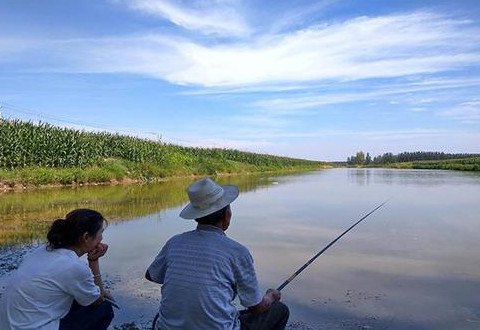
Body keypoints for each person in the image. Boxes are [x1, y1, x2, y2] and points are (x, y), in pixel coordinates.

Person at [146, 177, 289, 329]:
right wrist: (271, 296)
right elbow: (256, 307)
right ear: (227, 215)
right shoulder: (237, 252)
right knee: (280, 310)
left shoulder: (174, 242)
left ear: (196, 216)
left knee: (164, 314)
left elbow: (151, 275)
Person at [0, 209, 114, 330]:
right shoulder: (73, 267)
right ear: (86, 237)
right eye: (100, 233)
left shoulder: (44, 250)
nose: (101, 238)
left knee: (79, 296)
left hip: (8, 325)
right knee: (104, 309)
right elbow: (97, 300)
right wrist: (94, 261)